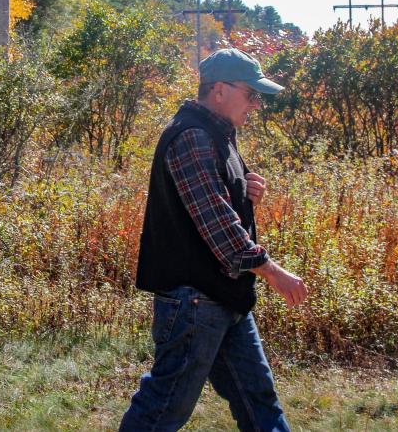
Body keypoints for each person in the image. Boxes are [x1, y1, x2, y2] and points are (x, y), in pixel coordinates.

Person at [120, 48, 308, 432]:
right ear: (219, 91)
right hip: (195, 301)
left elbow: (217, 201)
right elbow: (219, 225)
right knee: (165, 407)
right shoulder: (193, 136)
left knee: (258, 401)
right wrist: (272, 271)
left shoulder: (216, 133)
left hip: (222, 294)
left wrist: (245, 189)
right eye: (251, 94)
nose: (256, 104)